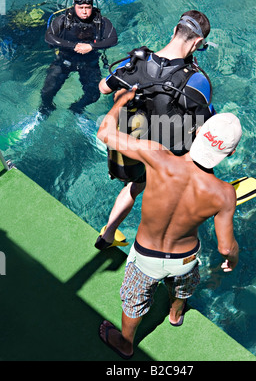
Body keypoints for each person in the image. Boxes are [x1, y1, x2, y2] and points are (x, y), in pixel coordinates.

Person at [97, 88, 242, 359]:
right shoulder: (224, 193)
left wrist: (121, 102)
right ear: (230, 153)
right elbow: (225, 247)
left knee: (134, 301)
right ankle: (175, 315)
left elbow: (105, 133)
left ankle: (126, 343)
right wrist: (233, 258)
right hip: (185, 259)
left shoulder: (157, 155)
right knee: (182, 289)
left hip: (145, 257)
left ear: (198, 132)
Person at [95, 10, 216, 250]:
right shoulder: (195, 80)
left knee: (135, 186)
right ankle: (212, 193)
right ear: (198, 42)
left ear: (174, 31)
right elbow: (207, 129)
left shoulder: (136, 62)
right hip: (166, 155)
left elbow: (103, 88)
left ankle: (108, 235)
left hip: (136, 145)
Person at [39, 0, 118, 116]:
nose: (84, 12)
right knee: (47, 91)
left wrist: (91, 46)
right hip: (65, 59)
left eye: (87, 8)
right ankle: (46, 108)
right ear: (74, 6)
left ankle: (76, 108)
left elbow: (113, 39)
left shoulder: (101, 22)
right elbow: (49, 37)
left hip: (89, 62)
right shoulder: (63, 20)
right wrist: (73, 46)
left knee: (93, 95)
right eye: (81, 8)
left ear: (92, 7)